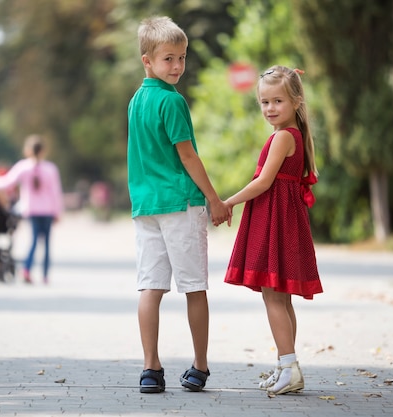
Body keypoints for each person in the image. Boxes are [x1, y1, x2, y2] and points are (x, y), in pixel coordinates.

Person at [127, 16, 231, 394]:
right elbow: (187, 157)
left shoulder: (137, 101)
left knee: (150, 288)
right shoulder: (172, 101)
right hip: (181, 204)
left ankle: (150, 369)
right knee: (193, 288)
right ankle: (199, 367)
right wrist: (215, 200)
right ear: (147, 61)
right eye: (168, 58)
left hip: (146, 206)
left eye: (182, 58)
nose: (177, 66)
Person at [223, 65, 323, 395]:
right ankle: (286, 367)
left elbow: (263, 182)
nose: (270, 109)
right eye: (264, 102)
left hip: (275, 222)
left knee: (274, 299)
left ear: (296, 101)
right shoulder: (292, 135)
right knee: (281, 298)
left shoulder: (283, 137)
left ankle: (289, 366)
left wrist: (229, 202)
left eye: (277, 101)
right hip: (281, 220)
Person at [0, 134, 63, 285]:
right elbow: (56, 193)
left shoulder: (23, 167)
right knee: (46, 244)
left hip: (31, 210)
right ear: (43, 151)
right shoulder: (50, 169)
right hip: (47, 211)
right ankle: (45, 276)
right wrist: (58, 212)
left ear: (28, 151)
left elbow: (7, 182)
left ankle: (27, 270)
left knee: (33, 241)